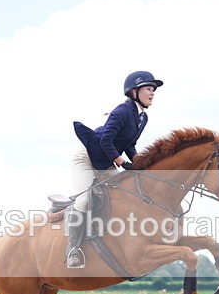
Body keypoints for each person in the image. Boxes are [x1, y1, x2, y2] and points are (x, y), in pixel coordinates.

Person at [66, 70, 163, 268]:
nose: (152, 93)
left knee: (122, 192)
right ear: (134, 92)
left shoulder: (142, 118)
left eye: (153, 89)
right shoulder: (122, 111)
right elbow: (105, 139)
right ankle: (72, 249)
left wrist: (138, 162)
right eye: (148, 89)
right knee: (84, 199)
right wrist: (120, 161)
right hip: (87, 158)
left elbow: (129, 144)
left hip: (105, 160)